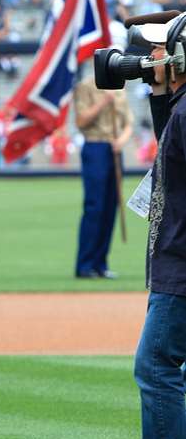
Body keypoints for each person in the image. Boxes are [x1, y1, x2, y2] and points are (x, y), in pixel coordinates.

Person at [113, 13, 186, 439]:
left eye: (160, 52)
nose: (151, 58)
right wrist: (161, 92)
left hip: (181, 268)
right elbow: (172, 151)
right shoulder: (181, 109)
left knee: (156, 365)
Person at [74, 66, 133, 279]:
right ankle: (85, 264)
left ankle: (101, 263)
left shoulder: (120, 87)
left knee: (111, 206)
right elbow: (81, 121)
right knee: (95, 206)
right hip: (95, 145)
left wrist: (122, 140)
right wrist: (103, 102)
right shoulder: (86, 87)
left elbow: (128, 123)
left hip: (114, 148)